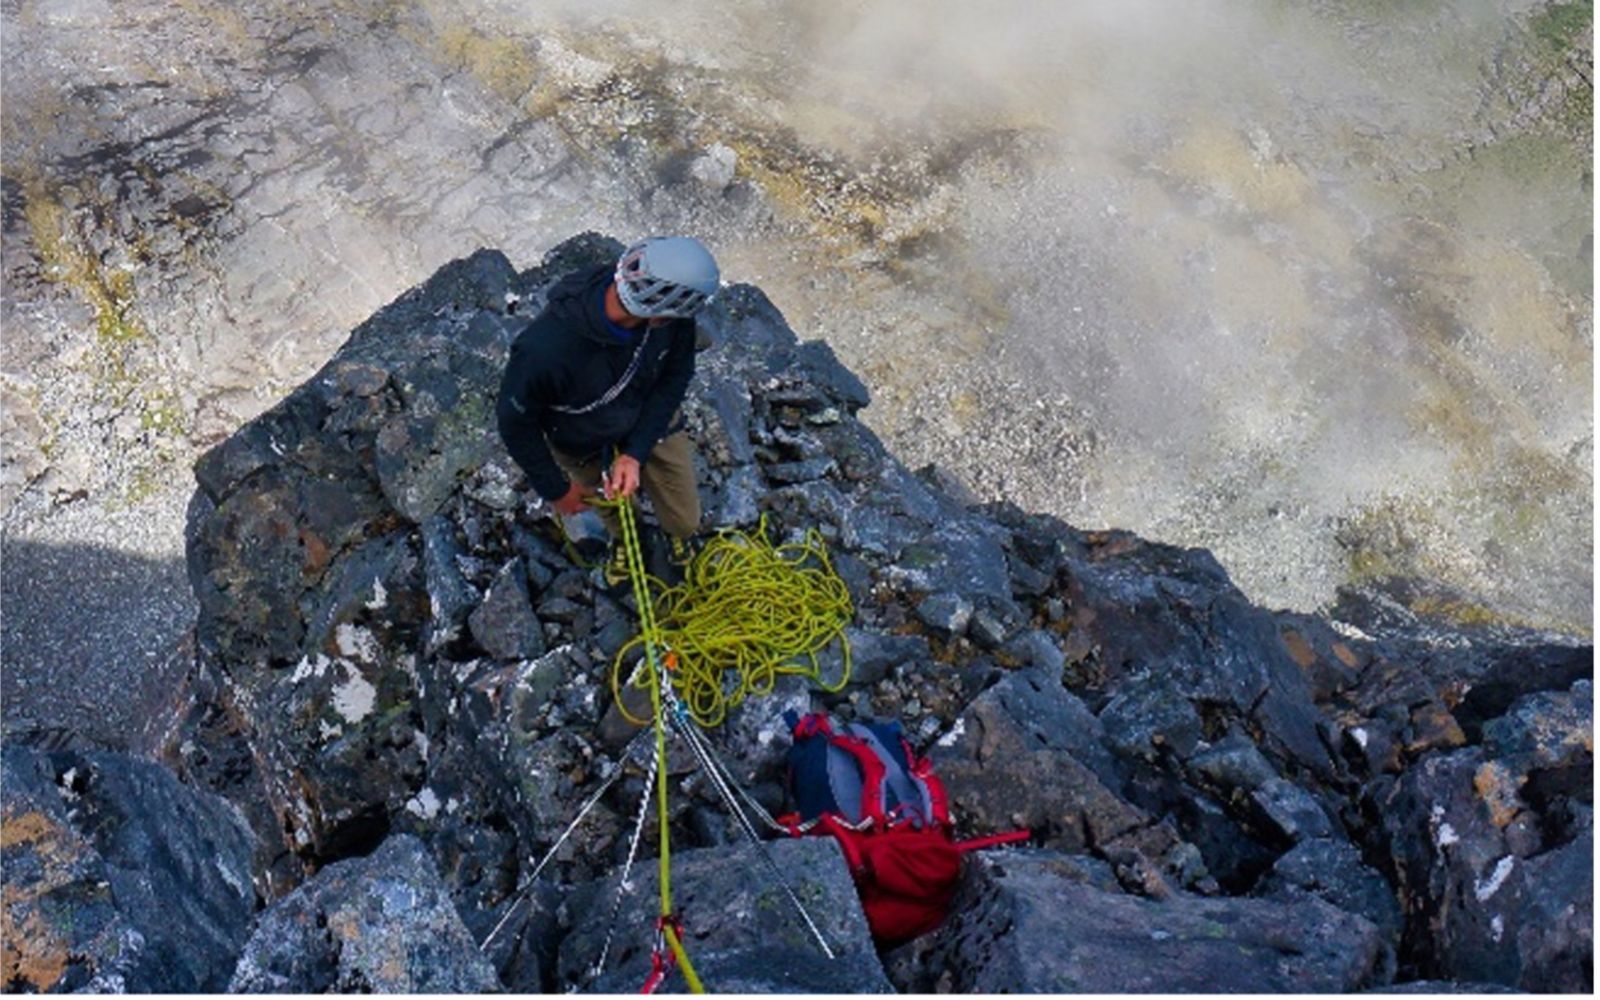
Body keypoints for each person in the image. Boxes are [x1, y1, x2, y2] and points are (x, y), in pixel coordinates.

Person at [496, 236, 719, 586]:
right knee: (611, 508)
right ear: (659, 311)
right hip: (578, 436)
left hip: (646, 417)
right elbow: (514, 421)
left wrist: (635, 452)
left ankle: (677, 536)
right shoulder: (543, 350)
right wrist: (555, 489)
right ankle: (626, 542)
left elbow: (675, 376)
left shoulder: (670, 317)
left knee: (685, 520)